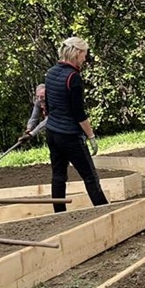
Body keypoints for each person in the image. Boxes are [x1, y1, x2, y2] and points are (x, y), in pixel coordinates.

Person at [44, 36, 108, 213]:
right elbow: (79, 114)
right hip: (69, 135)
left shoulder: (51, 73)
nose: (85, 58)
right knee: (90, 176)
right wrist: (91, 136)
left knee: (58, 175)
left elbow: (48, 106)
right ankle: (105, 211)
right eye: (84, 54)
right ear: (77, 53)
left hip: (52, 133)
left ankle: (59, 213)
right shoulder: (73, 78)